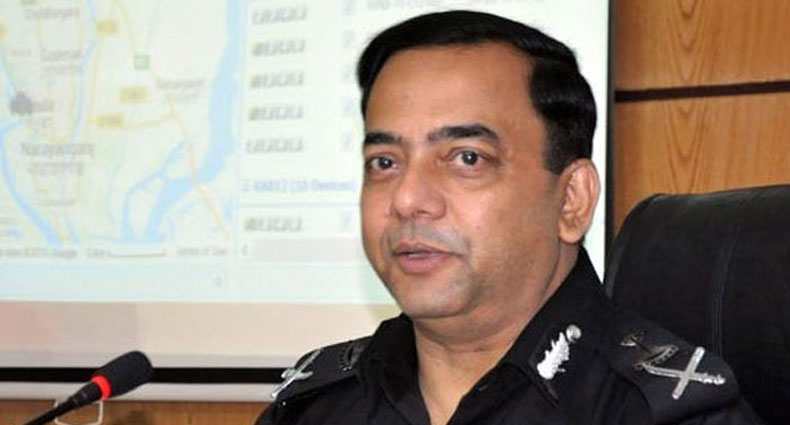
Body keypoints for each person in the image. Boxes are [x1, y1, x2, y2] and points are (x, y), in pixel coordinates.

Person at [256, 10, 763, 425]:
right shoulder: (313, 408)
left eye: (467, 158)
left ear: (572, 199)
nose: (407, 199)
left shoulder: (665, 414)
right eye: (384, 163)